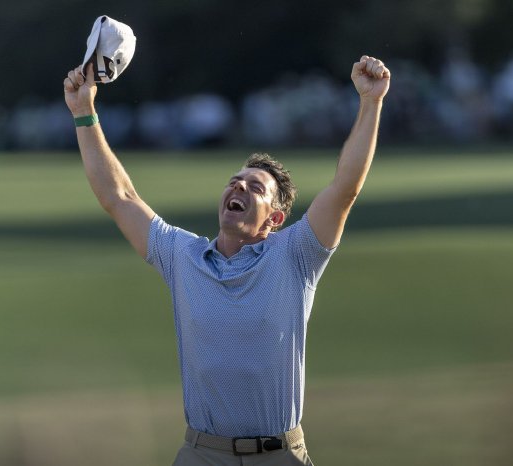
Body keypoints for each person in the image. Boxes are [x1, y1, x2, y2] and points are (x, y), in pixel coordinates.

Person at [64, 54, 390, 465]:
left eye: (255, 187)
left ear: (274, 219)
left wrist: (371, 102)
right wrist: (84, 112)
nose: (238, 187)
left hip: (279, 455)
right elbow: (119, 197)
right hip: (202, 455)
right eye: (234, 182)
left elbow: (345, 189)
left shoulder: (296, 255)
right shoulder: (182, 256)